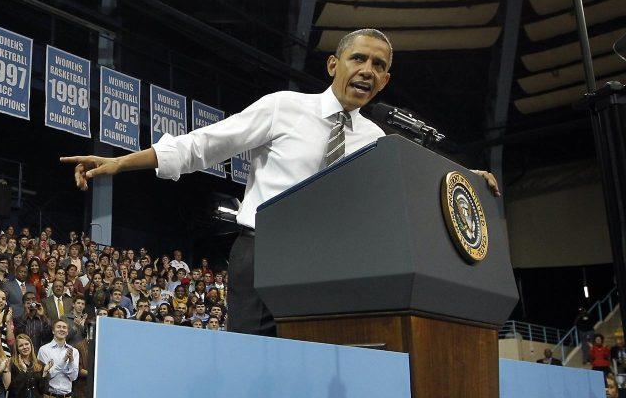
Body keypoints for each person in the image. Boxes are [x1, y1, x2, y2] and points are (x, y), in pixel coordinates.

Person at [62, 29, 500, 336]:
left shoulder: (376, 141)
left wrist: (465, 183)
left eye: (379, 65)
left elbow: (404, 198)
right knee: (253, 355)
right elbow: (203, 145)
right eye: (359, 58)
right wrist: (120, 164)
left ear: (385, 81)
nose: (367, 69)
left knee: (310, 356)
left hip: (330, 265)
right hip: (264, 251)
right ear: (334, 64)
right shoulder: (284, 107)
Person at [36, 319, 80, 398]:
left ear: (67, 332)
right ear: (53, 331)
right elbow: (47, 375)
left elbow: (73, 377)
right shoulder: (44, 350)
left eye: (64, 327)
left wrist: (71, 361)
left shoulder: (74, 351)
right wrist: (63, 362)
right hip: (48, 397)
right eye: (59, 327)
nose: (62, 329)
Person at [72, 323, 95, 398]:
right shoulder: (79, 346)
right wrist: (95, 373)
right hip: (82, 392)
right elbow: (78, 370)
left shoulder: (104, 345)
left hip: (99, 394)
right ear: (87, 330)